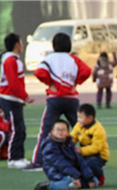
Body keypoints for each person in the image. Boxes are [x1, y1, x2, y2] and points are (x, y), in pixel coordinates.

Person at [29, 33, 91, 171]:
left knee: (46, 129)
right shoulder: (74, 59)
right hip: (71, 99)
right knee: (81, 129)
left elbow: (39, 72)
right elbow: (87, 71)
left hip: (54, 99)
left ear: (54, 45)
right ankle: (90, 158)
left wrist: (50, 82)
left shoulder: (49, 59)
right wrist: (76, 82)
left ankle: (38, 161)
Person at [0, 33, 35, 169]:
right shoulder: (10, 60)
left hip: (15, 100)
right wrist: (25, 96)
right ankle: (13, 158)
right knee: (15, 129)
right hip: (10, 100)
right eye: (21, 41)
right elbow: (13, 83)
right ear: (17, 45)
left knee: (21, 129)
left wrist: (21, 98)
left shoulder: (14, 60)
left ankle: (19, 156)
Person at [34, 120, 98, 190]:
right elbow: (62, 165)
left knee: (95, 180)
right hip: (58, 173)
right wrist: (77, 176)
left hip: (72, 172)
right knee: (68, 183)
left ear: (68, 133)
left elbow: (80, 161)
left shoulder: (69, 143)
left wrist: (89, 177)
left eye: (63, 130)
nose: (60, 132)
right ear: (52, 132)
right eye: (58, 130)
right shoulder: (49, 146)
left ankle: (80, 184)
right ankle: (49, 185)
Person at [70, 103, 109, 187]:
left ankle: (99, 176)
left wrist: (80, 150)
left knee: (89, 164)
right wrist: (68, 144)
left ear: (90, 118)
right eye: (78, 117)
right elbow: (73, 137)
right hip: (85, 153)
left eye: (80, 117)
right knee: (73, 161)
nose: (78, 120)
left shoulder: (98, 129)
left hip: (99, 155)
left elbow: (96, 148)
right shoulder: (78, 126)